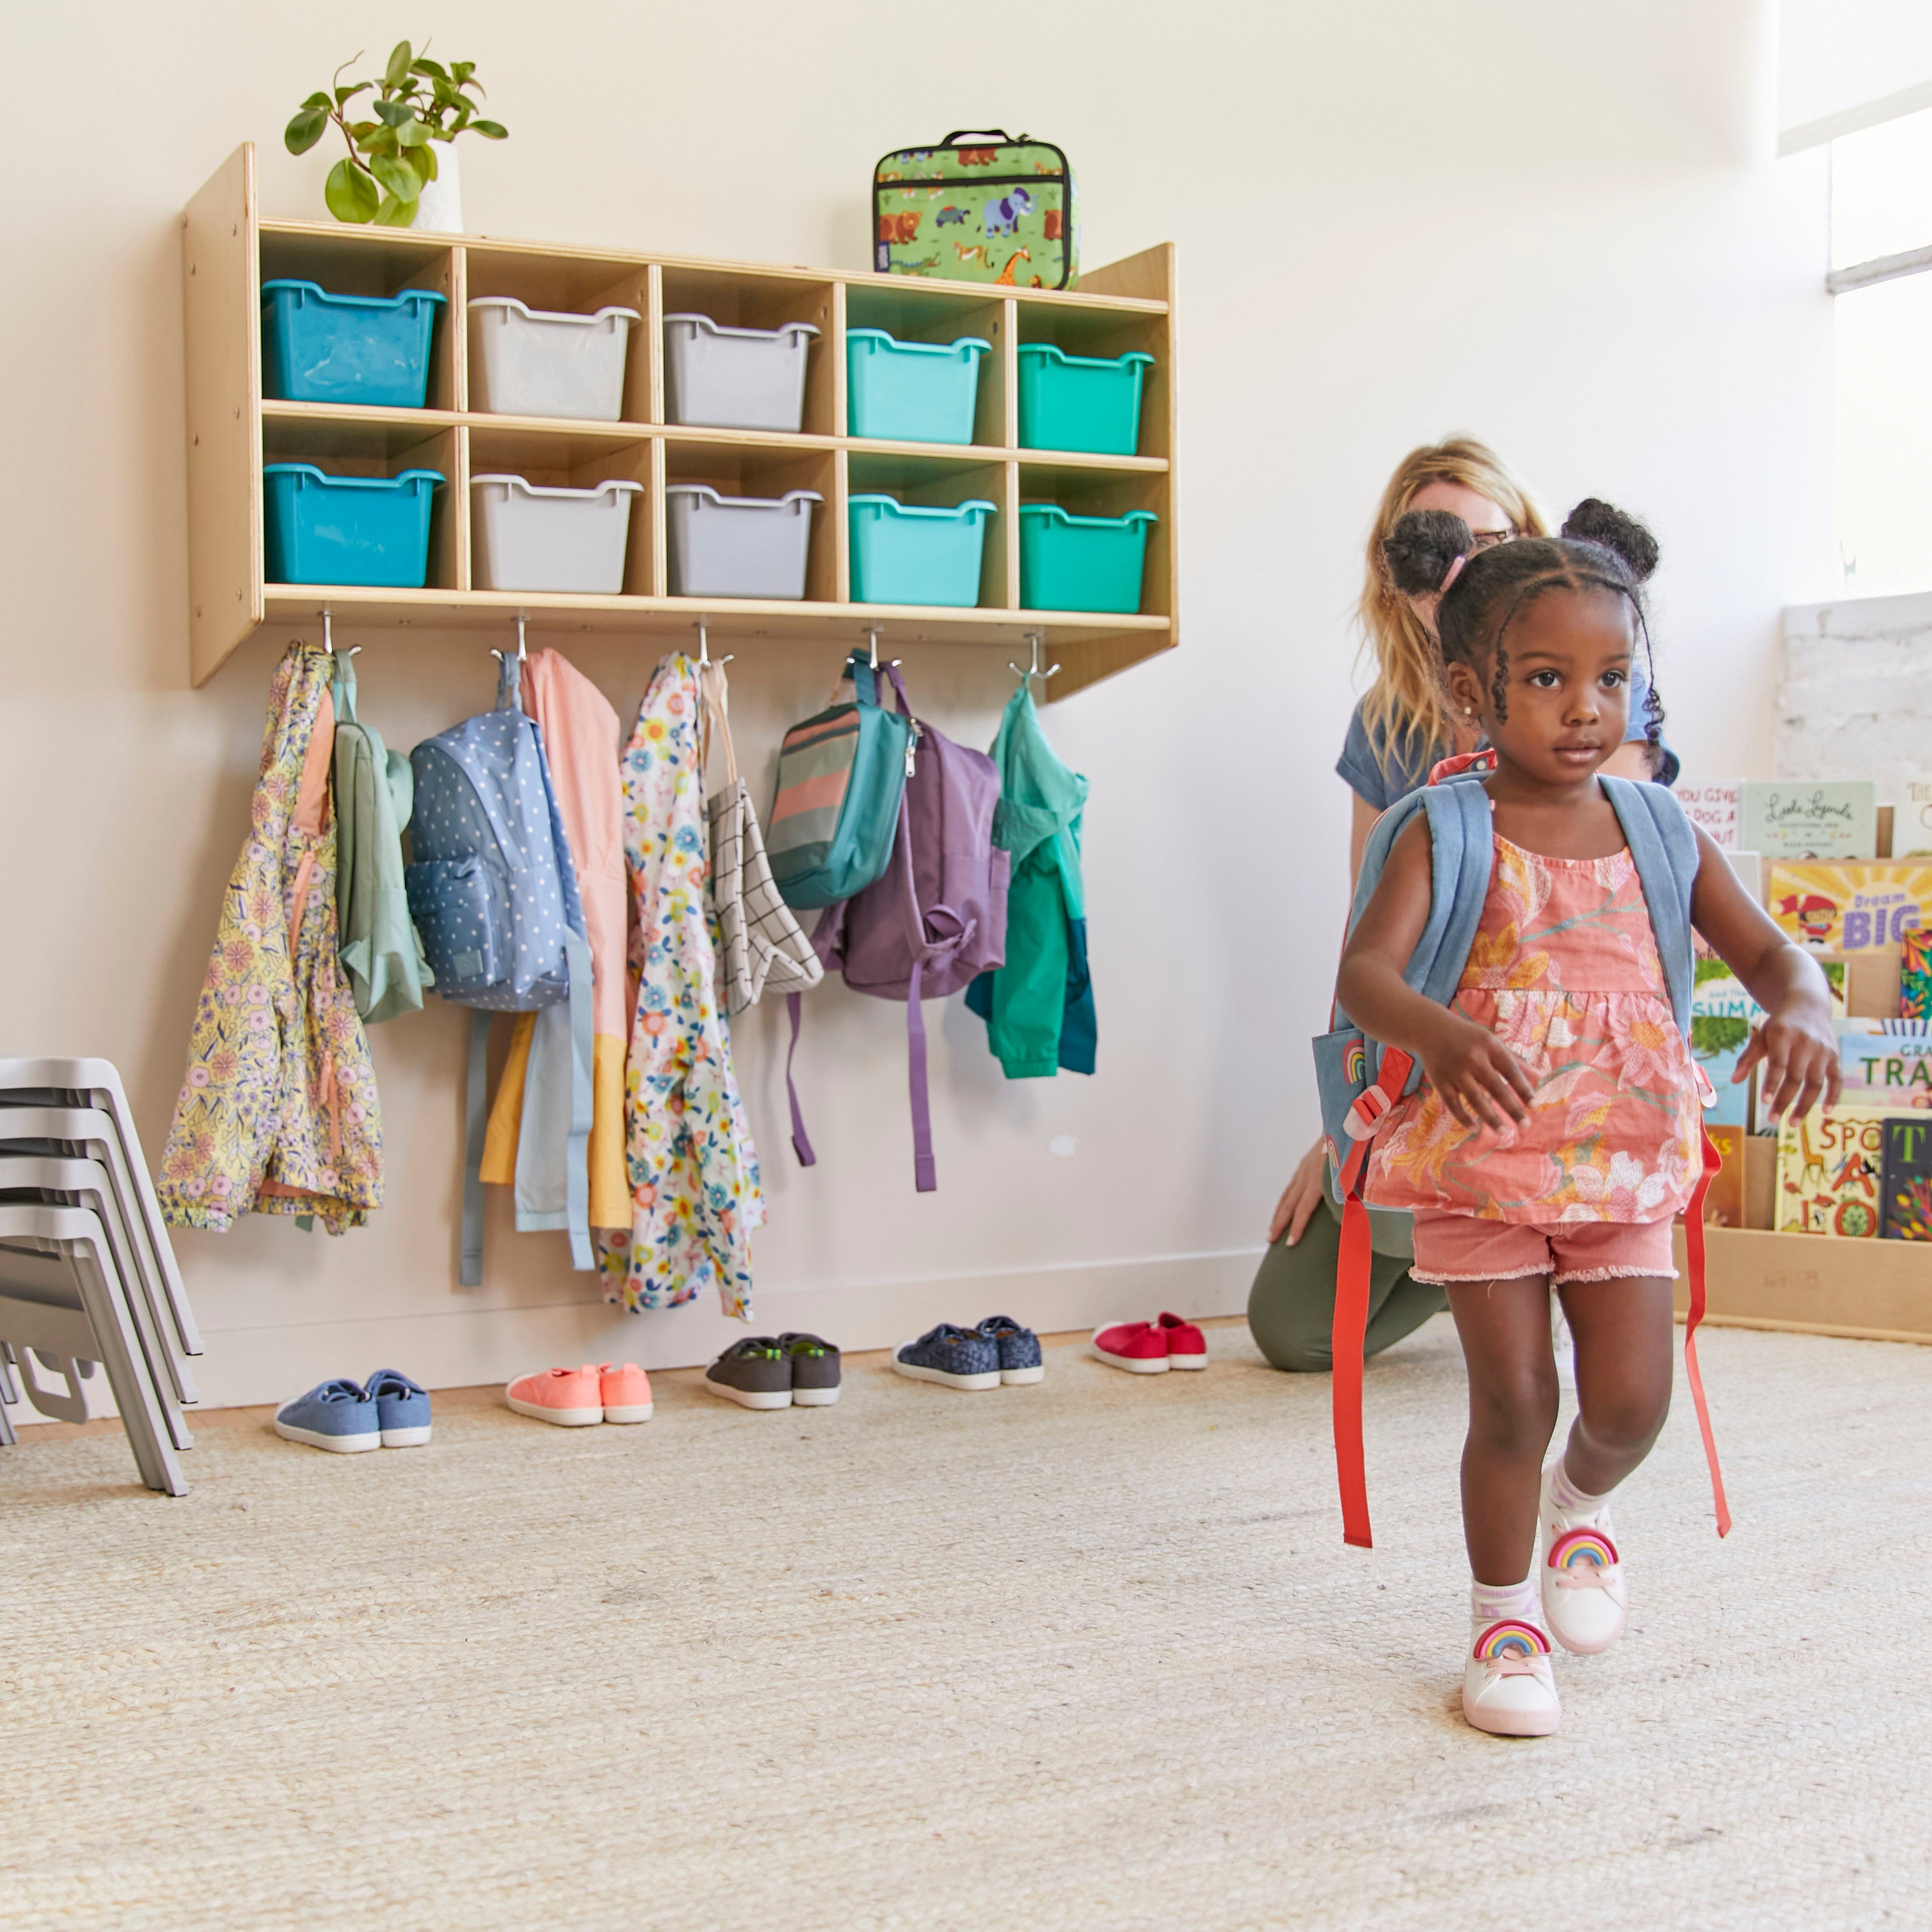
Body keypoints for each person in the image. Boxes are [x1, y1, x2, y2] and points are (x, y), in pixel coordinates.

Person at [1335, 498, 1838, 1735]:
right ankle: (1501, 1617)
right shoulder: (1445, 827)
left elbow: (1778, 960)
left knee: (1628, 1407)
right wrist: (1443, 1034)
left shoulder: (1661, 829)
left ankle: (1581, 1507)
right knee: (1511, 1399)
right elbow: (1366, 975)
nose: (1584, 707)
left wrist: (1810, 1008)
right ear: (1472, 690)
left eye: (1612, 678)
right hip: (1485, 1158)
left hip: (1622, 1160)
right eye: (1549, 677)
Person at [1249, 438, 1677, 1374]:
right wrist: (1342, 1133)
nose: (1469, 568)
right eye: (1437, 549)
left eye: (1491, 541)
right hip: (1436, 1059)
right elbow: (1370, 944)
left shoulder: (1600, 698)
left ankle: (1532, 1281)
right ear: (1402, 579)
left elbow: (1630, 874)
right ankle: (1484, 1283)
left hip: (1580, 1058)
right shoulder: (1387, 720)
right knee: (1292, 1328)